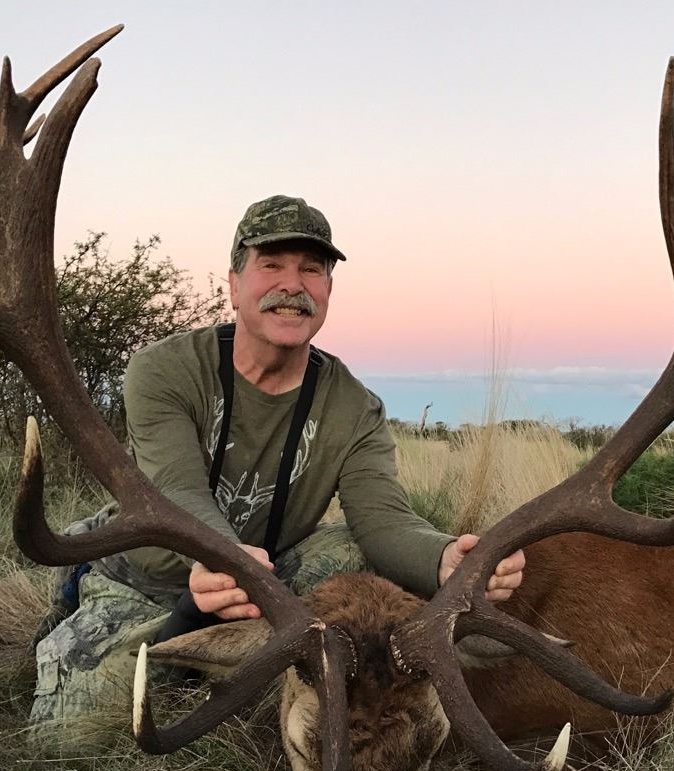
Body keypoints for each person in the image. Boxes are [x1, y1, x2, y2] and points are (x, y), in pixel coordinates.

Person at [31, 195, 525, 724]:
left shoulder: (356, 407)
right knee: (73, 736)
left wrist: (444, 559)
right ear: (234, 284)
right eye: (271, 265)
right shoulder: (164, 370)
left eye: (312, 269)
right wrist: (226, 562)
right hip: (146, 578)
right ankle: (90, 604)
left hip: (265, 586)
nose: (293, 285)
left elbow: (383, 521)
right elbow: (176, 488)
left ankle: (248, 664)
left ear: (328, 290)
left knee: (353, 551)